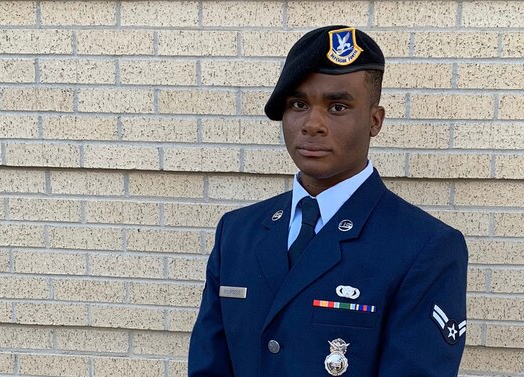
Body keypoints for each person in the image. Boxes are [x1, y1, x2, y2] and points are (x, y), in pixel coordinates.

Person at [188, 25, 468, 377]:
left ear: (374, 121)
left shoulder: (424, 247)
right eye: (298, 104)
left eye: (337, 106)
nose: (312, 124)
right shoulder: (237, 232)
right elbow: (208, 365)